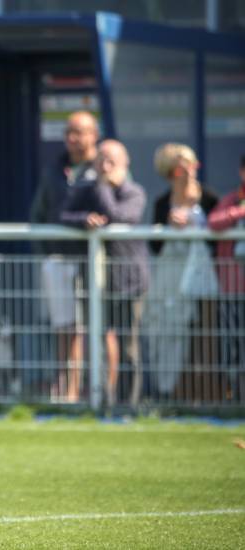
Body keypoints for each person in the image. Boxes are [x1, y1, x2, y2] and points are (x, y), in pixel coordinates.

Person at [60, 139, 149, 410]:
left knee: (128, 346)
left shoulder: (134, 192)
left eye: (111, 161)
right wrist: (84, 219)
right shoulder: (84, 189)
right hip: (96, 281)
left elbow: (118, 215)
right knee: (96, 341)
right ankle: (102, 403)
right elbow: (62, 214)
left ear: (125, 163)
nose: (104, 166)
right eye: (101, 160)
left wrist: (101, 187)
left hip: (130, 280)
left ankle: (129, 405)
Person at [30, 111, 98, 403]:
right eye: (69, 131)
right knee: (66, 329)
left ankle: (105, 395)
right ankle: (69, 393)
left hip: (99, 263)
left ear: (94, 135)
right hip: (59, 260)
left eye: (79, 132)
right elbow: (40, 213)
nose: (72, 138)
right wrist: (48, 253)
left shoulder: (105, 164)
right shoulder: (54, 169)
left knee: (103, 328)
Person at [146, 144, 220, 398]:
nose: (189, 171)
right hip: (172, 280)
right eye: (181, 168)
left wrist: (197, 225)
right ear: (169, 173)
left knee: (206, 334)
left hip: (205, 278)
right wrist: (167, 226)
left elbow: (218, 241)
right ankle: (176, 392)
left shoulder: (210, 198)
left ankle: (208, 392)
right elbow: (154, 247)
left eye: (192, 165)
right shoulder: (161, 204)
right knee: (173, 332)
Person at [208, 155, 245, 402]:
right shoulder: (232, 200)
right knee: (234, 346)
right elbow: (213, 222)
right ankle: (237, 396)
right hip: (234, 289)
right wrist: (239, 211)